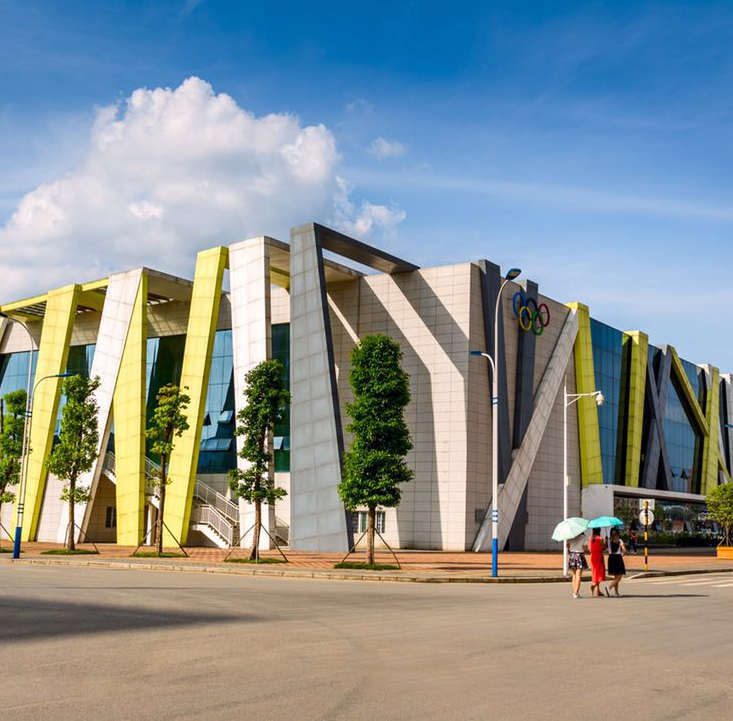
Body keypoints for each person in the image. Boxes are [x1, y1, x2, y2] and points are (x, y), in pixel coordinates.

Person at [567, 532, 588, 599]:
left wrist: (570, 549)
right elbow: (585, 547)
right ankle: (576, 593)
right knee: (578, 575)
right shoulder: (583, 537)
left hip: (572, 555)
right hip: (579, 554)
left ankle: (574, 592)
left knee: (574, 574)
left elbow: (567, 545)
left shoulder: (571, 536)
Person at [607, 527, 626, 596]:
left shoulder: (608, 540)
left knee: (616, 576)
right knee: (619, 576)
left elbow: (604, 548)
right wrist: (622, 555)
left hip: (611, 558)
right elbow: (624, 550)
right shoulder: (620, 540)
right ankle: (609, 587)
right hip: (618, 558)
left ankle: (616, 592)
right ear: (617, 533)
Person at [588, 527, 607, 597]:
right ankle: (594, 585)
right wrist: (606, 542)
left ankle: (598, 590)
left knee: (595, 572)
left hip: (592, 556)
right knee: (600, 572)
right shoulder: (600, 538)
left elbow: (589, 549)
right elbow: (604, 548)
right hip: (599, 556)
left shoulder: (590, 538)